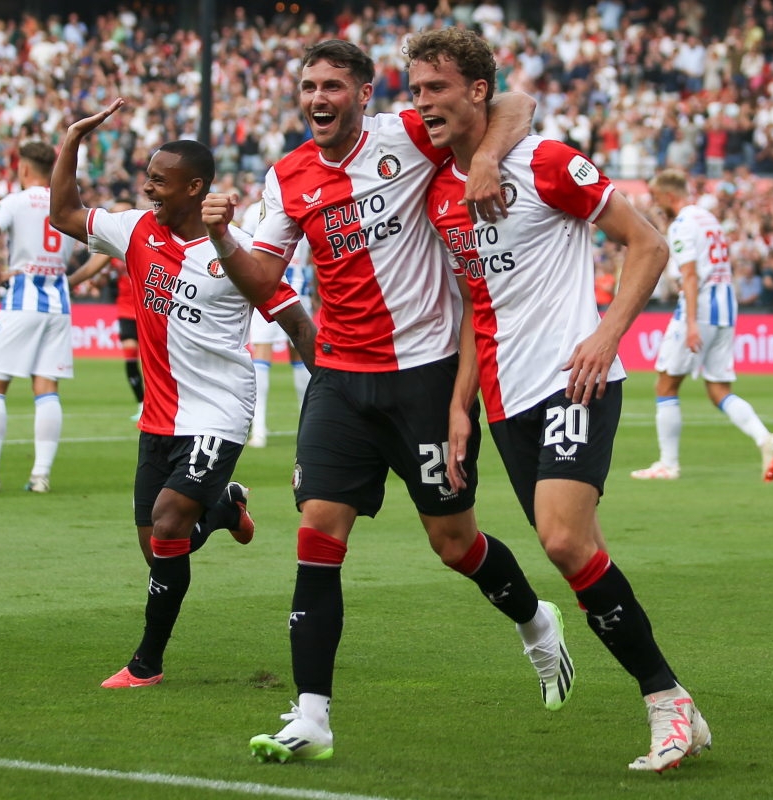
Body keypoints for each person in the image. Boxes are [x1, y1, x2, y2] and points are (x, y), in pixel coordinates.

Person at [202, 39, 564, 763]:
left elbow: (516, 104)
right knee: (317, 535)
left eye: (333, 85)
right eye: (308, 86)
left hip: (425, 377)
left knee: (452, 543)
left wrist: (487, 158)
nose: (318, 98)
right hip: (338, 380)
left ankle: (535, 620)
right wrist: (219, 234)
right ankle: (312, 717)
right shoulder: (288, 177)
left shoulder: (409, 134)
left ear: (365, 94)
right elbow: (264, 278)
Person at [412, 28, 710, 772]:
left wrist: (607, 336)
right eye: (415, 91)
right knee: (577, 553)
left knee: (563, 540)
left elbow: (647, 243)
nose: (423, 105)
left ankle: (665, 702)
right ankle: (680, 708)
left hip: (577, 378)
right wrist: (460, 406)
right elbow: (480, 310)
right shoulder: (438, 190)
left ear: (476, 91)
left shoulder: (545, 161)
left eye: (436, 89)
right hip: (506, 399)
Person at [50, 99, 318, 689]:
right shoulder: (137, 229)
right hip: (158, 416)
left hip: (219, 412)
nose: (149, 190)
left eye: (160, 182)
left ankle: (147, 663)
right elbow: (66, 212)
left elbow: (298, 324)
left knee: (170, 526)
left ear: (196, 188)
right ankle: (223, 509)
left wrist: (328, 396)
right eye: (147, 179)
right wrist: (72, 139)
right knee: (157, 549)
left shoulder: (237, 252)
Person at [0, 141, 104, 494]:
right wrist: (73, 279)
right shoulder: (66, 205)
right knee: (46, 388)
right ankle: (40, 476)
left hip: (22, 299)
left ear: (22, 169)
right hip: (58, 304)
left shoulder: (16, 201)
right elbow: (107, 250)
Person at [630, 170, 773, 483]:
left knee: (665, 385)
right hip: (726, 308)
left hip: (699, 309)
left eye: (659, 200)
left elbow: (689, 275)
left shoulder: (683, 224)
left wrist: (690, 323)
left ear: (670, 196)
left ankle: (668, 464)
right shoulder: (708, 218)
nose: (658, 206)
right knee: (717, 390)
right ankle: (764, 438)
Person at [237, 198, 314, 448]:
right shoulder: (307, 204)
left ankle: (259, 431)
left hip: (269, 288)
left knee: (262, 352)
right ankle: (310, 427)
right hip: (298, 289)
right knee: (302, 354)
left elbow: (243, 249)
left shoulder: (254, 210)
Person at [65, 190, 144, 420]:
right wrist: (66, 283)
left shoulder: (145, 240)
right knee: (130, 358)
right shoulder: (113, 247)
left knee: (157, 362)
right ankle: (142, 404)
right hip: (127, 310)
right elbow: (92, 269)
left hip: (152, 310)